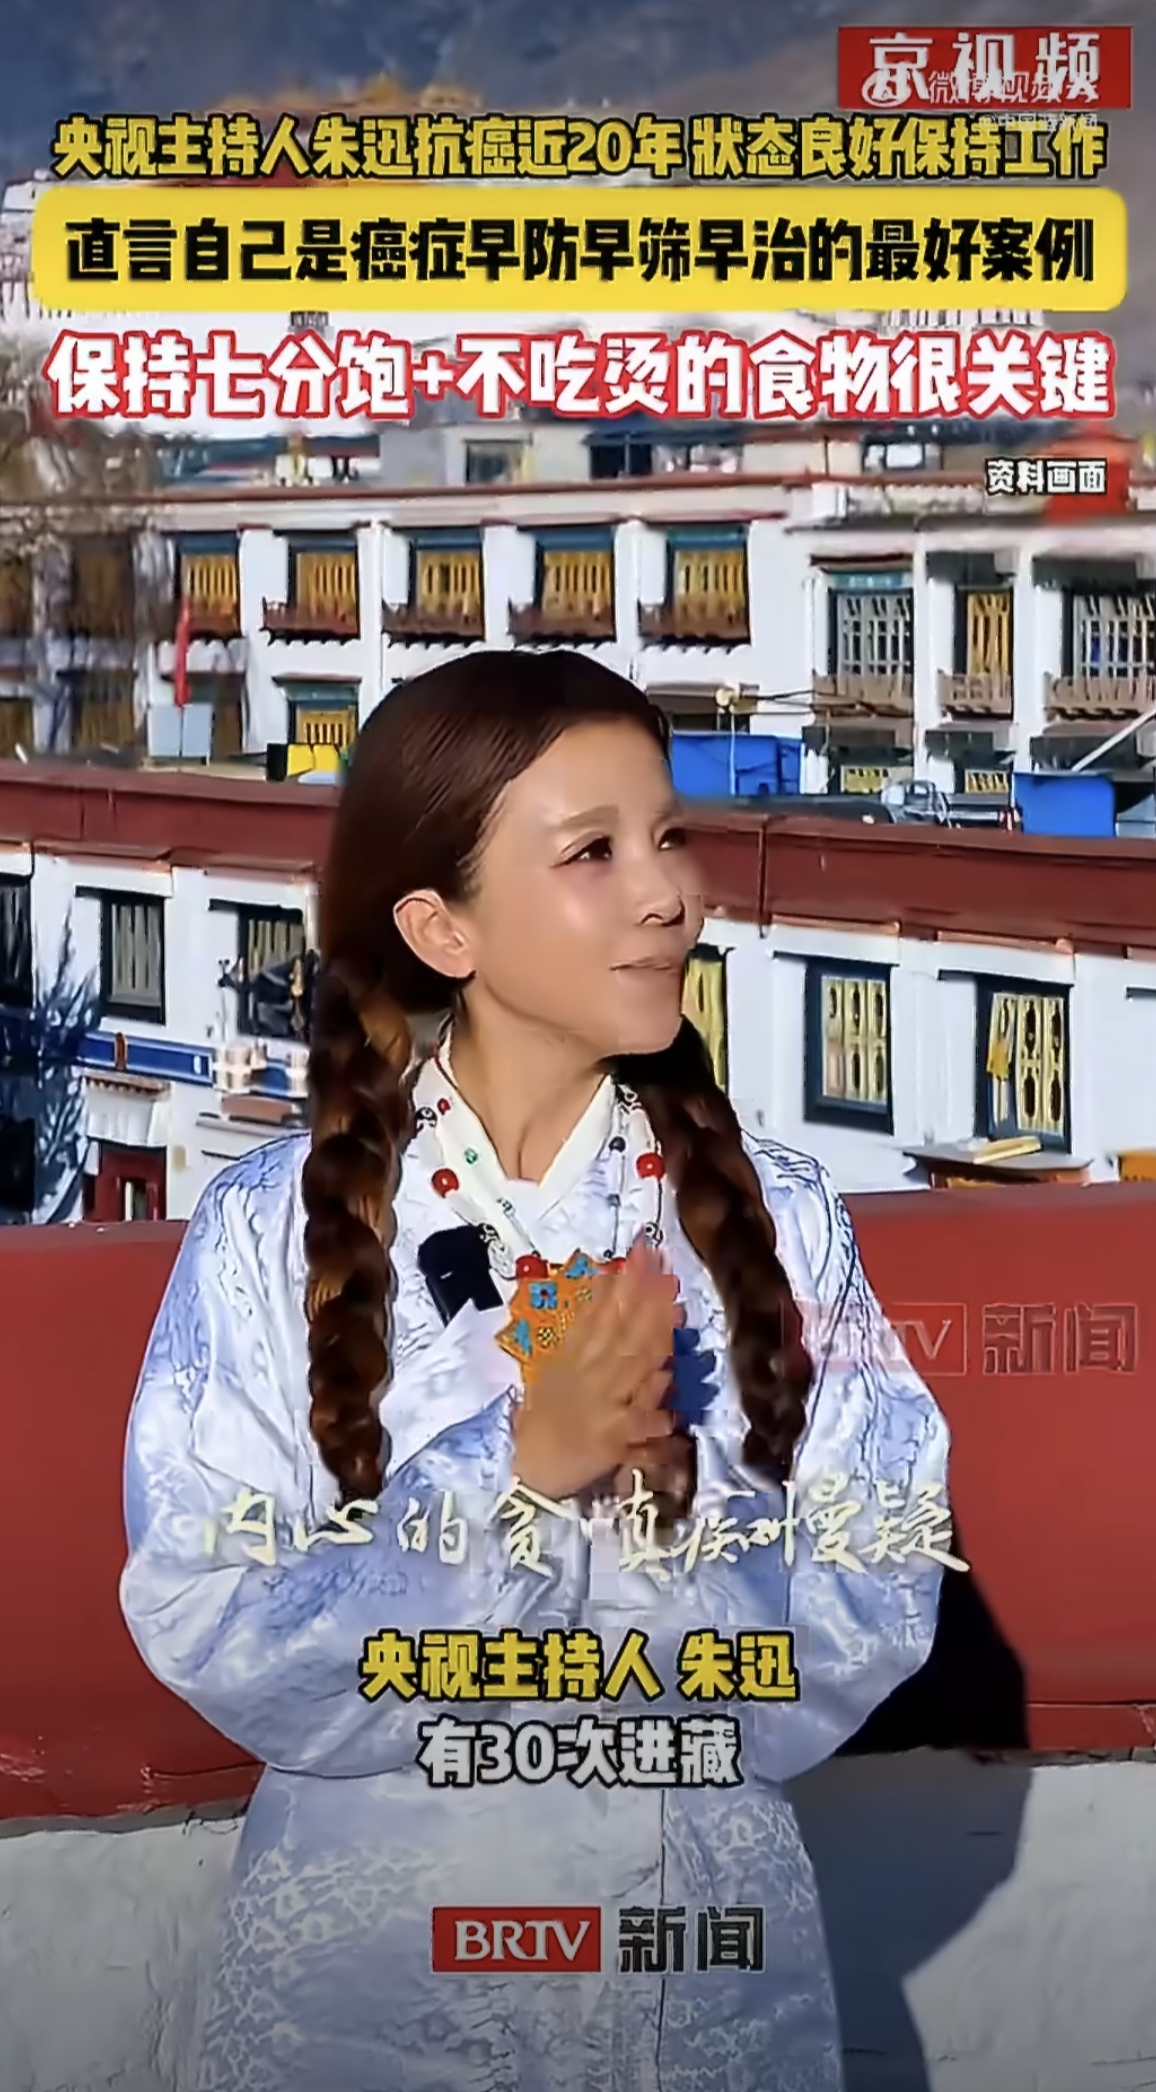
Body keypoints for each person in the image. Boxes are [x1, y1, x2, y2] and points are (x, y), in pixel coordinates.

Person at [120, 650, 950, 2092]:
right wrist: (510, 1478)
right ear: (442, 926)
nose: (667, 895)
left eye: (668, 837)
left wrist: (674, 1536)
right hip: (379, 2007)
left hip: (704, 1994)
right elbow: (206, 1607)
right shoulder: (267, 1229)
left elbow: (886, 1572)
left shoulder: (785, 1218)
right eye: (592, 852)